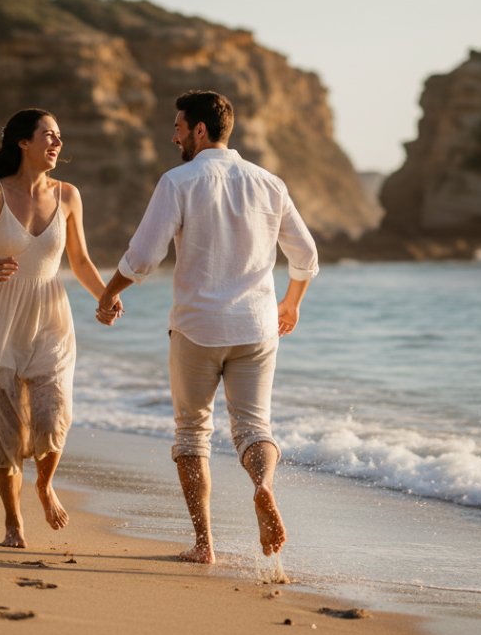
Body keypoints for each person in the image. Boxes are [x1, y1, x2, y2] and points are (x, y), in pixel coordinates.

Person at [95, 90, 319, 563]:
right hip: (257, 327)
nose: (174, 136)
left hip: (196, 328)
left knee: (192, 433)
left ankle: (204, 545)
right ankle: (263, 485)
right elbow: (306, 255)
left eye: (178, 127)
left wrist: (110, 292)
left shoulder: (178, 181)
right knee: (254, 426)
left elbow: (144, 256)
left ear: (199, 130)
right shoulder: (268, 183)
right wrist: (292, 303)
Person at [0, 108, 117, 548]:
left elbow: (80, 261)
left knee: (53, 412)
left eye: (59, 135)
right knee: (7, 433)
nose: (57, 142)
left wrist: (105, 296)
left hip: (51, 318)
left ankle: (45, 486)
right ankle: (13, 522)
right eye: (48, 135)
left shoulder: (68, 195)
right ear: (23, 142)